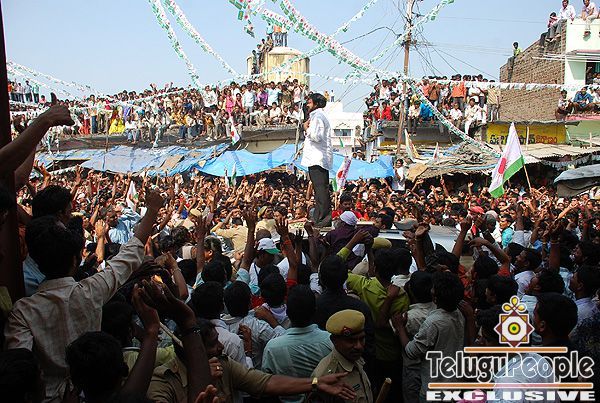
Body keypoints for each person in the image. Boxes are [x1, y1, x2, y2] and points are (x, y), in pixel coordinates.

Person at [4, 190, 163, 402]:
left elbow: (19, 365)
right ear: (75, 260)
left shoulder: (22, 312)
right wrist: (152, 210)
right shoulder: (91, 290)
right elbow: (129, 255)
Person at [261, 285, 334, 403]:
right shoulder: (330, 341)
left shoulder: (272, 348)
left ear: (288, 313)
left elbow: (266, 385)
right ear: (315, 310)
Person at [311, 310, 373, 403]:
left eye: (361, 339)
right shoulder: (325, 376)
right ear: (334, 341)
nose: (359, 346)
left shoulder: (355, 358)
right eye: (351, 341)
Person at [301, 93, 333, 227]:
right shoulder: (316, 116)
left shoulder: (318, 117)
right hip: (315, 158)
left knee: (321, 191)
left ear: (316, 104)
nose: (307, 105)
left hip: (317, 158)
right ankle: (319, 218)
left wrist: (306, 128)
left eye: (309, 102)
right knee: (318, 191)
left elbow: (317, 137)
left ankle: (324, 219)